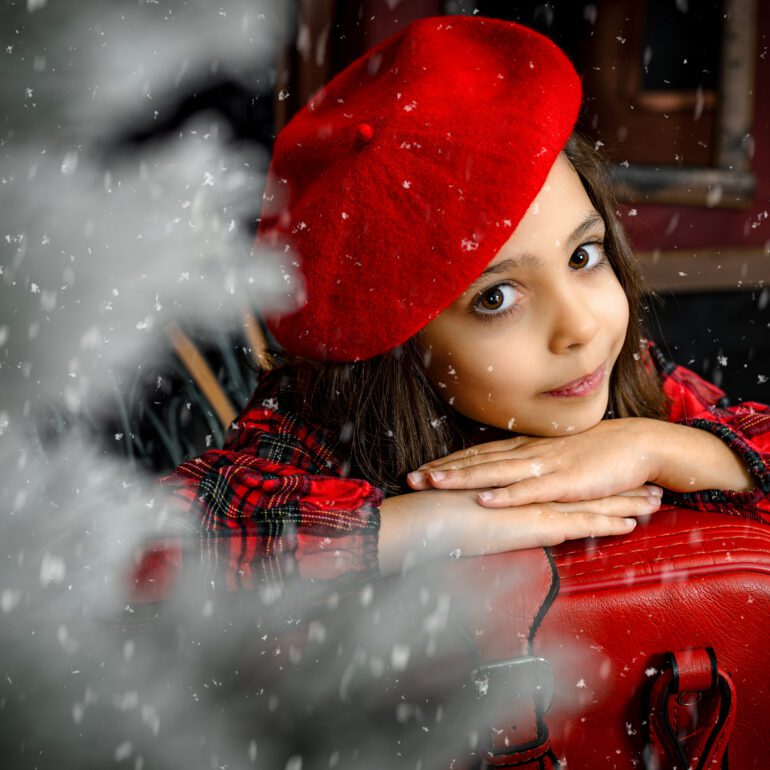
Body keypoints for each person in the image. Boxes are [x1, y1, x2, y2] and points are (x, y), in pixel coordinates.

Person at [162, 15, 770, 583]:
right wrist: (423, 526)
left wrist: (653, 447)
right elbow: (143, 551)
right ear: (403, 342)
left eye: (583, 257)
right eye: (497, 298)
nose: (580, 326)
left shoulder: (630, 381)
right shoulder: (325, 427)